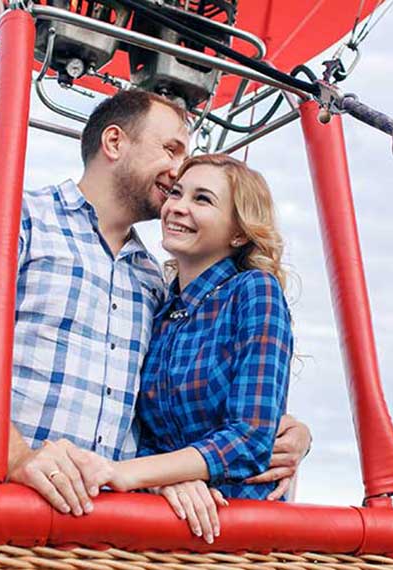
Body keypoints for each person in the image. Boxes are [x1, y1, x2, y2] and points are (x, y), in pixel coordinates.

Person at [0, 89, 310, 518]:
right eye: (171, 149)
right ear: (114, 143)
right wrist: (18, 458)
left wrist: (292, 433)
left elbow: (173, 407)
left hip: (96, 521)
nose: (177, 169)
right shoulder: (18, 219)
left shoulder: (152, 280)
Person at [91, 154, 295, 544]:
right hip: (164, 521)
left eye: (202, 200)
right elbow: (146, 432)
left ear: (238, 233)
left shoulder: (254, 291)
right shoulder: (162, 308)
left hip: (232, 527)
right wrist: (164, 481)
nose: (178, 208)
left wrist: (133, 473)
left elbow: (251, 438)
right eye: (176, 193)